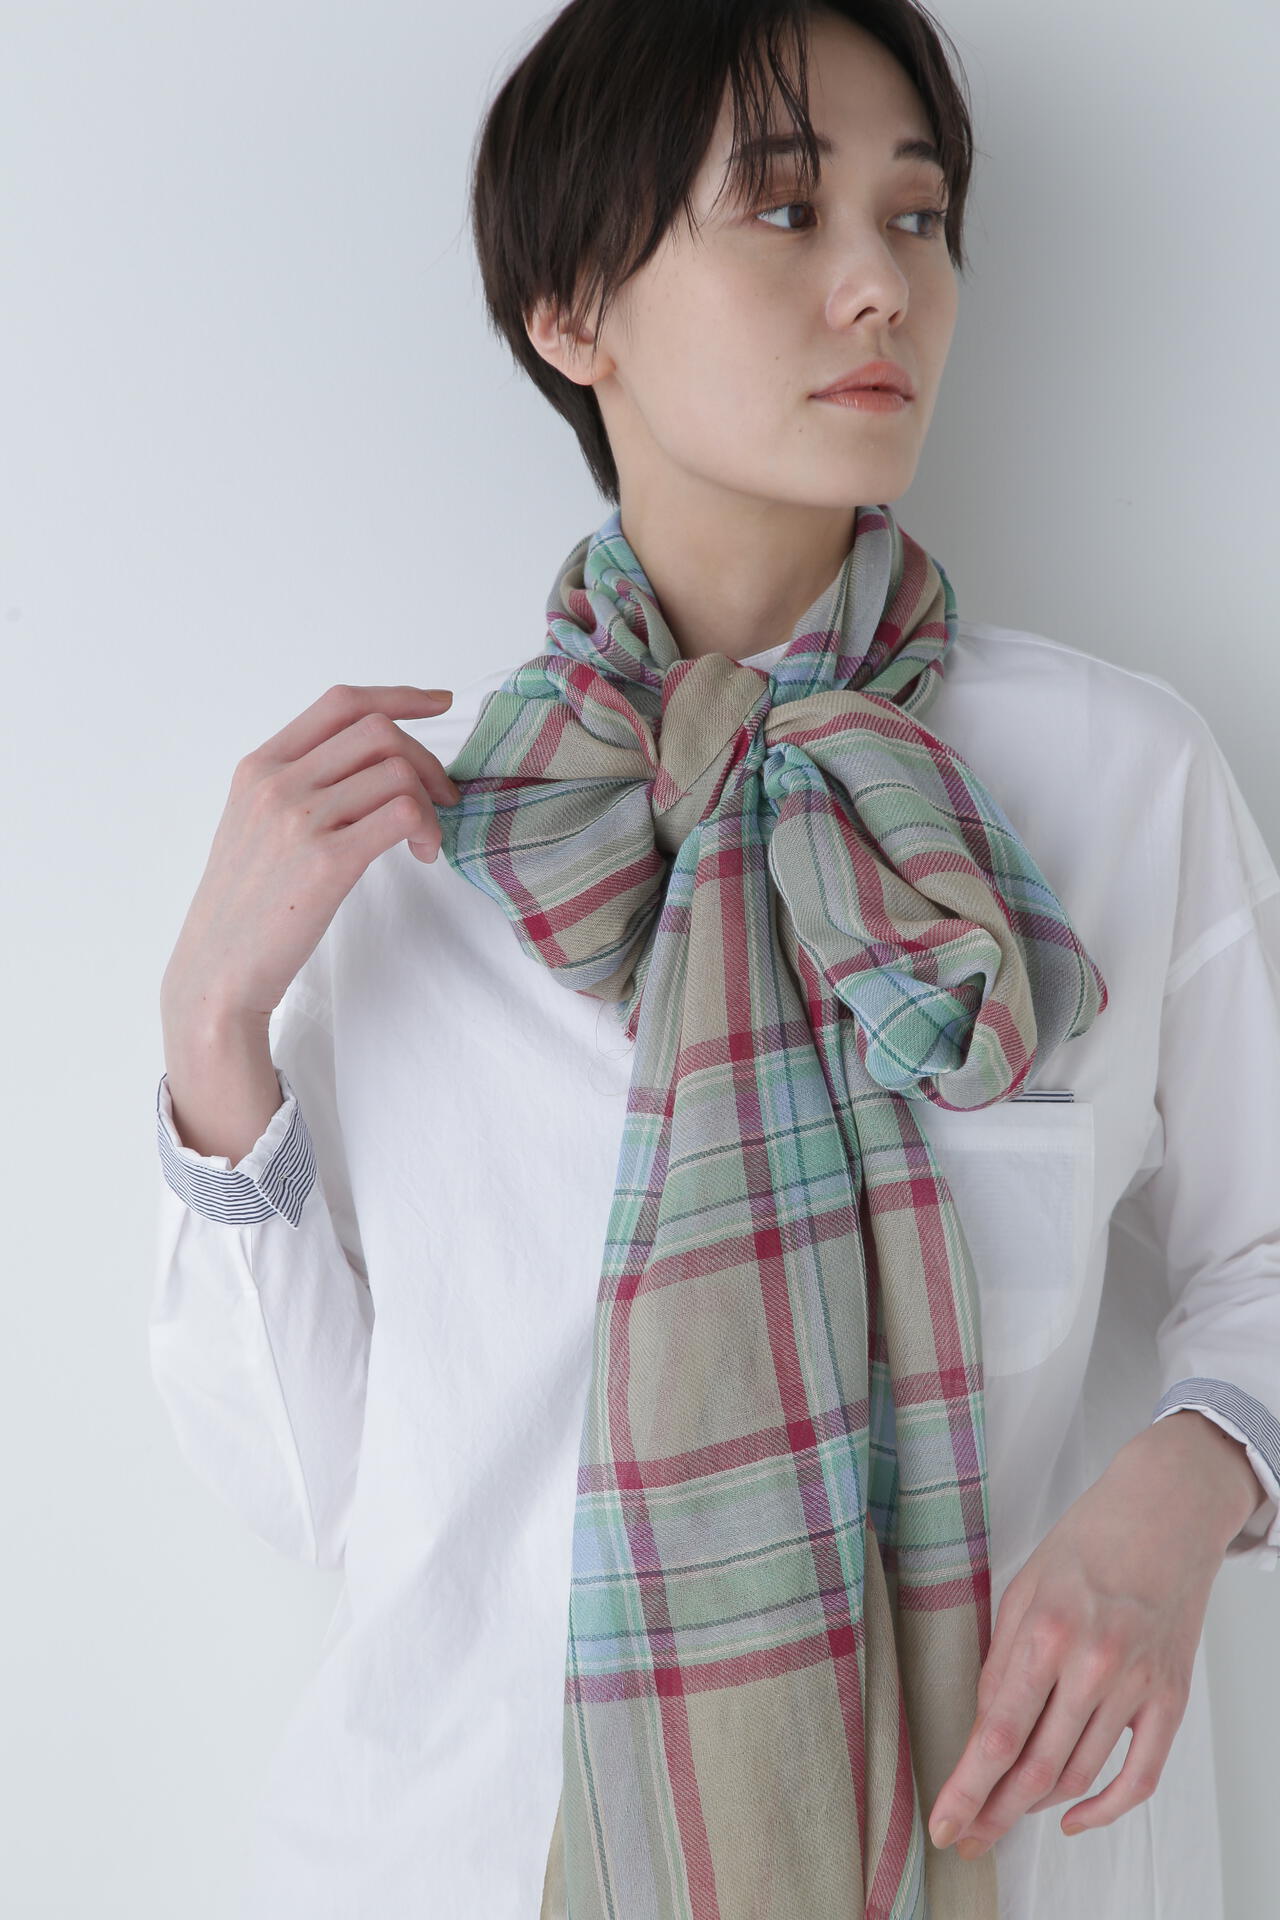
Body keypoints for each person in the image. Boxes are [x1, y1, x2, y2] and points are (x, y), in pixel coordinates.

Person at [150, 3, 1280, 1916]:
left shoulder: (1113, 783)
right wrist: (213, 1031)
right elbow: (319, 1490)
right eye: (782, 206)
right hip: (459, 1856)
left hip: (983, 1850)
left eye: (916, 219)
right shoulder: (419, 846)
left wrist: (1189, 1487)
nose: (882, 283)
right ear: (571, 311)